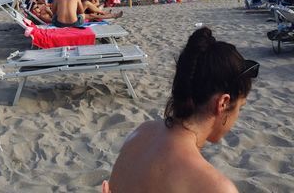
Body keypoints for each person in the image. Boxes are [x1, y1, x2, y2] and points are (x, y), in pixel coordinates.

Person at [106, 27, 257, 193]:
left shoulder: (139, 134)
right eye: (240, 108)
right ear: (223, 103)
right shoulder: (216, 187)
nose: (236, 117)